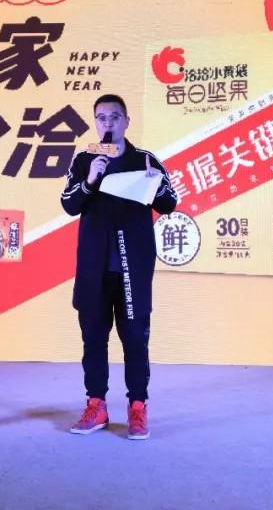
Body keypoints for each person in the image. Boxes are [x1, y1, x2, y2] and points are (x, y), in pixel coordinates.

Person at [60, 94, 178, 440]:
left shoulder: (145, 159)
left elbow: (170, 203)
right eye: (101, 118)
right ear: (95, 123)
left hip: (132, 269)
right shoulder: (85, 160)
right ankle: (96, 405)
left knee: (135, 340)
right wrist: (91, 180)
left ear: (127, 121)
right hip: (94, 268)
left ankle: (137, 407)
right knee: (93, 339)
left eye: (114, 117)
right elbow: (69, 204)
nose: (108, 123)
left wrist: (155, 183)